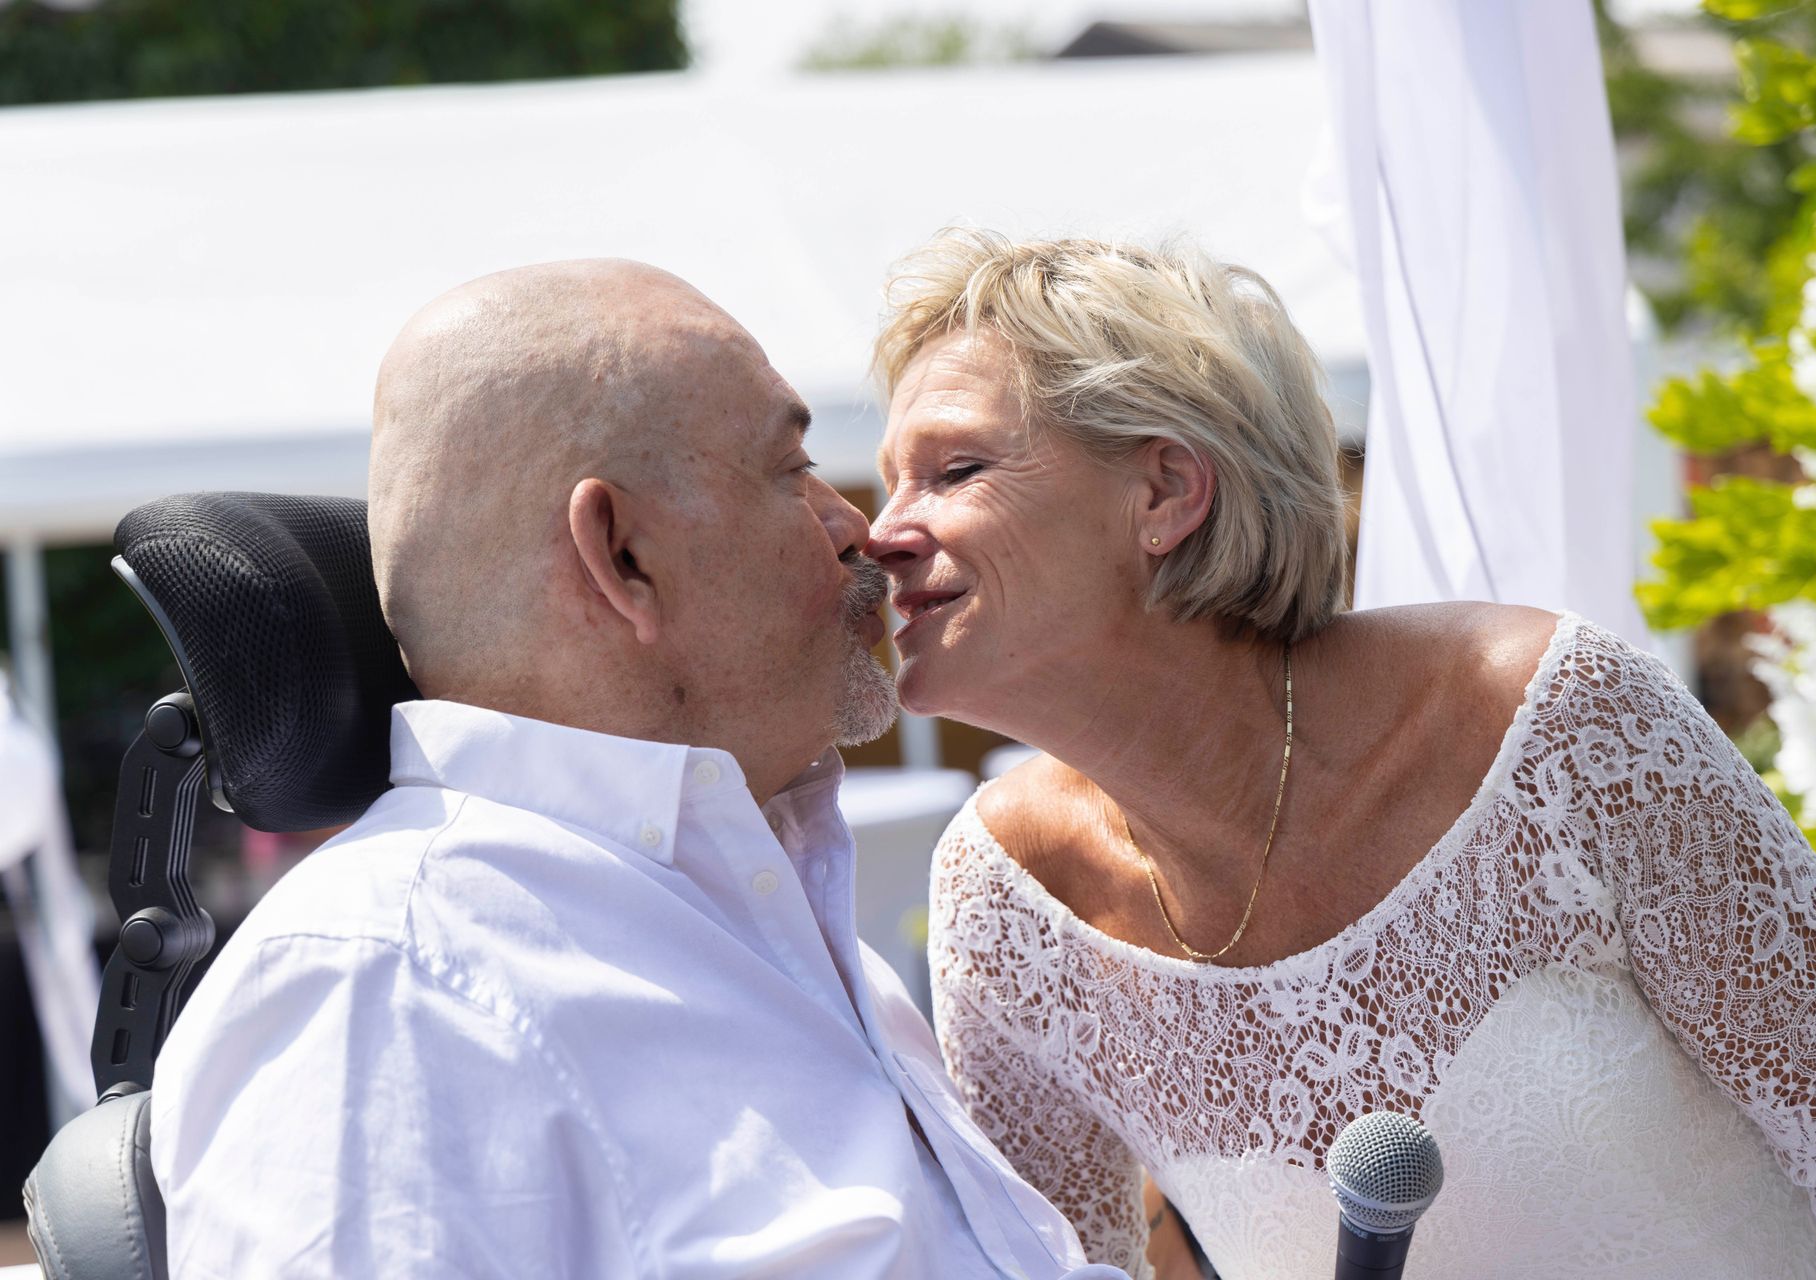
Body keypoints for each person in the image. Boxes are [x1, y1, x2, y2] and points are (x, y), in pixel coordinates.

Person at [867, 230, 1816, 1280]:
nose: (882, 533)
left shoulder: (1550, 721)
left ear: (1165, 492)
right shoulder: (1005, 903)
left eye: (952, 470)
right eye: (886, 482)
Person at [149, 259, 1129, 1280]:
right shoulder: (388, 984)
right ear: (622, 556)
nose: (860, 530)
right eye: (791, 471)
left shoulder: (754, 911)